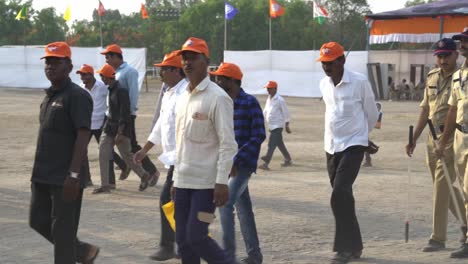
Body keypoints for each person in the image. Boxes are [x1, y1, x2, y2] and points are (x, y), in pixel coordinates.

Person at [29, 41, 100, 264]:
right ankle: (81, 252)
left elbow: (82, 135)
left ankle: (73, 253)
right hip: (43, 173)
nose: (50, 66)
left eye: (56, 62)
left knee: (63, 232)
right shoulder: (50, 96)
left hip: (66, 177)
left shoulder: (77, 96)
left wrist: (74, 175)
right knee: (37, 221)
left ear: (69, 66)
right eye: (47, 62)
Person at [172, 37, 238, 264]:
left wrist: (221, 182)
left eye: (193, 57)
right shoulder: (182, 98)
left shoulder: (218, 98)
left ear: (206, 62)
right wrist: (174, 179)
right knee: (182, 240)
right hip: (183, 184)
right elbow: (180, 144)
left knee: (197, 237)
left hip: (207, 188)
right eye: (184, 58)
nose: (187, 62)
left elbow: (228, 143)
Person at [317, 42, 379, 263]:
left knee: (339, 194)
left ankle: (343, 248)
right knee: (344, 197)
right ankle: (356, 246)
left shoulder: (360, 82)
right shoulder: (324, 84)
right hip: (331, 146)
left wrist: (363, 137)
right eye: (323, 63)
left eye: (330, 62)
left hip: (353, 145)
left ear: (342, 60)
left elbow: (372, 113)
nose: (326, 67)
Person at [406, 38, 467, 252]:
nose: (442, 60)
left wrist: (444, 139)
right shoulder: (432, 76)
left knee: (442, 187)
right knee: (444, 187)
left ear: (455, 55)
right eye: (439, 56)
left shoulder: (461, 78)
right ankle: (465, 222)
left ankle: (438, 238)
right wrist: (414, 138)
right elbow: (425, 109)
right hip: (431, 139)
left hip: (450, 137)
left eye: (446, 55)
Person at [133, 51, 188, 261]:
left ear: (176, 70)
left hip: (183, 158)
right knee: (176, 202)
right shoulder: (169, 92)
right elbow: (160, 126)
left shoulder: (185, 94)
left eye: (164, 69)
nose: (160, 72)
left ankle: (173, 246)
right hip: (174, 158)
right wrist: (144, 149)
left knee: (169, 199)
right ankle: (182, 245)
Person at [210, 62, 266, 264]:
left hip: (242, 164)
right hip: (226, 164)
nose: (217, 81)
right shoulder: (220, 102)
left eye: (221, 78)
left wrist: (236, 159)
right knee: (244, 210)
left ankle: (228, 256)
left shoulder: (249, 102)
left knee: (224, 203)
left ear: (233, 81)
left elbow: (259, 135)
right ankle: (255, 255)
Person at [100, 44, 160, 184]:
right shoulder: (114, 72)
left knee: (132, 145)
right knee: (122, 145)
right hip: (112, 116)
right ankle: (127, 167)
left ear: (116, 56)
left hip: (125, 116)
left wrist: (130, 116)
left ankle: (151, 172)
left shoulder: (129, 71)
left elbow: (133, 94)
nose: (107, 60)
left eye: (108, 57)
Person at [92, 63, 155, 193]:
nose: (101, 78)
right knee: (103, 152)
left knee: (127, 156)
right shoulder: (110, 89)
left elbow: (125, 113)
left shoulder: (121, 91)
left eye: (101, 76)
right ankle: (105, 185)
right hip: (109, 126)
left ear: (107, 76)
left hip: (121, 128)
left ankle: (144, 175)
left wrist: (120, 132)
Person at [438, 26, 468, 259]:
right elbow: (452, 110)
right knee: (465, 190)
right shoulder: (459, 76)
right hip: (460, 139)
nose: (462, 43)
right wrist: (443, 141)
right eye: (461, 40)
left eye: (466, 40)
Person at [76, 64, 127, 187]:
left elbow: (114, 97)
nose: (82, 77)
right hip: (86, 124)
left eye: (84, 74)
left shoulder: (102, 87)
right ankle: (87, 179)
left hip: (102, 123)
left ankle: (111, 180)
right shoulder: (80, 88)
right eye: (81, 74)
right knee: (82, 151)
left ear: (91, 74)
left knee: (106, 151)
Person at [258, 81, 292, 170]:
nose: (268, 90)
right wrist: (260, 118)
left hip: (278, 125)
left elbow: (286, 112)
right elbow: (265, 110)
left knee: (272, 144)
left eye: (270, 88)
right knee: (279, 144)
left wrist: (287, 125)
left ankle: (266, 162)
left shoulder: (280, 100)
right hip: (271, 125)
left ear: (275, 89)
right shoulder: (269, 99)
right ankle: (288, 159)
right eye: (267, 89)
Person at [363, 102, 383, 167]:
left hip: (363, 129)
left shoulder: (379, 113)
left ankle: (368, 161)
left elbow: (378, 126)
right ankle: (367, 161)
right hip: (361, 128)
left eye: (378, 108)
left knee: (364, 144)